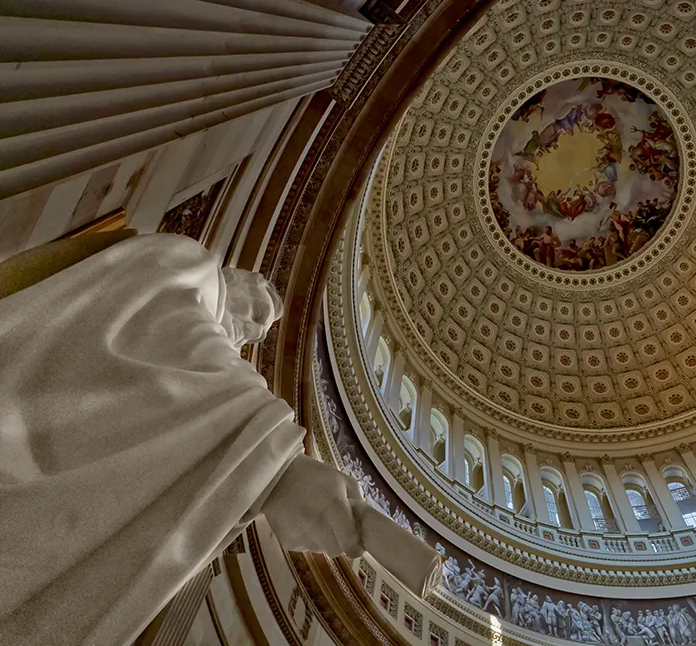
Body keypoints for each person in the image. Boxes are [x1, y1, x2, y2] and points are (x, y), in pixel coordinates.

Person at [0, 233, 441, 645]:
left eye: (260, 325)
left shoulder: (210, 341)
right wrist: (280, 466)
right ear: (239, 278)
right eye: (258, 311)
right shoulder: (188, 266)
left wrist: (262, 470)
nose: (254, 327)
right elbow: (175, 338)